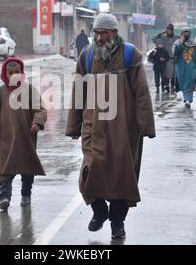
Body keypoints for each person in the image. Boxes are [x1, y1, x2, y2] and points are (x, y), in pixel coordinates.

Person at [66, 13, 156, 240]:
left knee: (121, 177)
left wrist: (146, 125)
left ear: (114, 33)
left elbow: (141, 93)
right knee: (89, 171)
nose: (98, 38)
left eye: (103, 33)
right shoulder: (86, 56)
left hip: (124, 130)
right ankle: (99, 210)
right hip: (93, 127)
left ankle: (118, 223)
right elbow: (78, 92)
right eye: (96, 33)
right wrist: (73, 126)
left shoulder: (130, 55)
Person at [0, 57, 47, 211]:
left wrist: (37, 122)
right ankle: (4, 197)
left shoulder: (29, 90)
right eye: (10, 73)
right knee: (4, 168)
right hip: (4, 139)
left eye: (17, 72)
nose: (14, 75)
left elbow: (40, 109)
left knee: (27, 169)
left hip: (25, 138)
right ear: (5, 74)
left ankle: (26, 194)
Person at [174, 28, 196, 108]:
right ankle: (186, 98)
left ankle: (188, 99)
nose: (186, 34)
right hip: (181, 67)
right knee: (183, 83)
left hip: (191, 66)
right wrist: (182, 42)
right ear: (182, 33)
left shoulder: (194, 44)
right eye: (184, 32)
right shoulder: (178, 43)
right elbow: (175, 53)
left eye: (187, 32)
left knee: (190, 82)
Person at [153, 24, 180, 91]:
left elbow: (182, 43)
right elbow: (154, 40)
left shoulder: (177, 37)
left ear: (172, 30)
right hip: (167, 58)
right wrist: (160, 33)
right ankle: (167, 85)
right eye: (167, 30)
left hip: (175, 58)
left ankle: (173, 86)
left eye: (170, 30)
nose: (169, 31)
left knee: (174, 73)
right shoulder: (163, 37)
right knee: (167, 73)